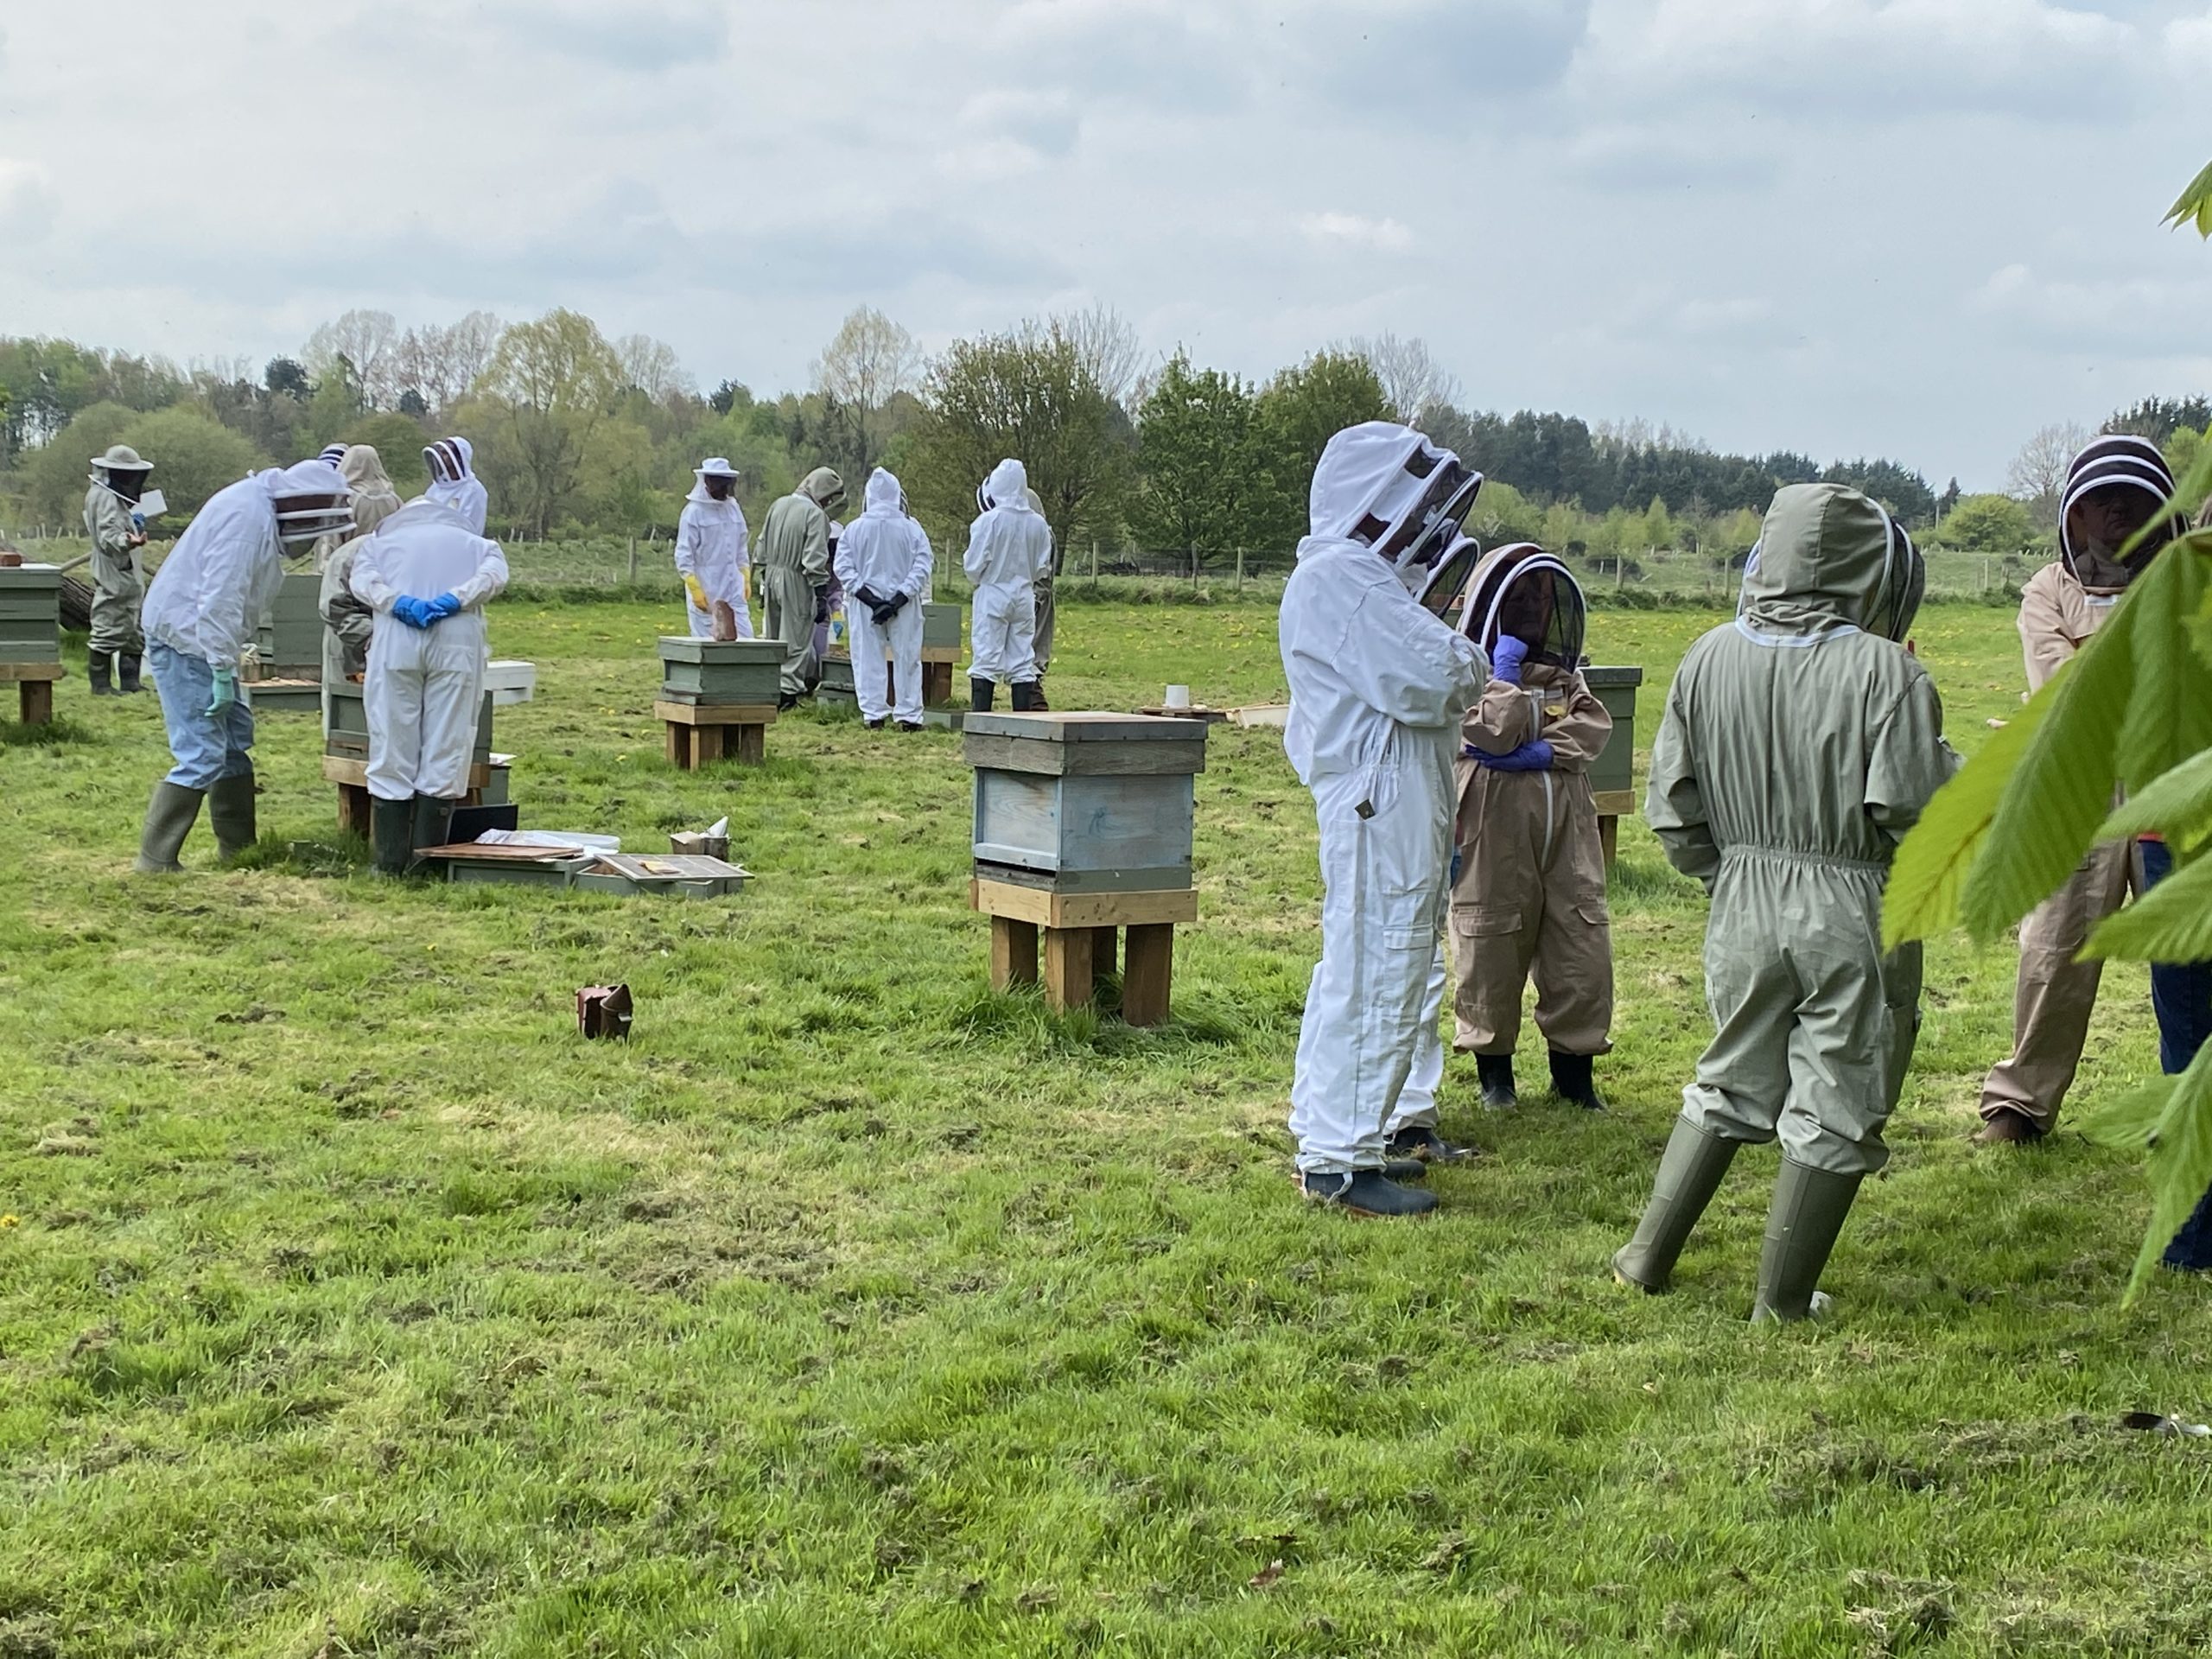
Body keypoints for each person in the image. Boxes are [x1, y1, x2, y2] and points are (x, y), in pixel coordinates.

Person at [1614, 482, 1954, 1322]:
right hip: (1854, 901)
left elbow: (1671, 803)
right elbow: (1914, 806)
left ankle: (1644, 1256)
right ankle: (1783, 1301)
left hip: (1741, 898)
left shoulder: (1706, 654)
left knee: (1729, 1075)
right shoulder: (1886, 671)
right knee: (1839, 1092)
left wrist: (1723, 877)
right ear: (1864, 567)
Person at [1281, 421, 1489, 1216]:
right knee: (1378, 967)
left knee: (1373, 966)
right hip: (1381, 799)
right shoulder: (1342, 577)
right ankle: (1339, 1161)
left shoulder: (1354, 578)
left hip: (1389, 798)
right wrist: (1469, 664)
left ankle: (1339, 1140)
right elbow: (1436, 673)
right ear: (1378, 498)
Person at [1977, 434, 2189, 1144]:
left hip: (2177, 785)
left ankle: (2188, 1106)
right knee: (2053, 943)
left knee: (2192, 958)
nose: (2117, 513)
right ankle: (2019, 1105)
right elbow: (2062, 693)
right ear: (2075, 516)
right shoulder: (2048, 590)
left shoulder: (2194, 577)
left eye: (2132, 498)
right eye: (2102, 501)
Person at [1450, 543, 1615, 1113]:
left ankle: (1575, 1079)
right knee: (1490, 940)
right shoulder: (1464, 672)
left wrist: (1543, 752)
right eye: (1519, 598)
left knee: (1580, 943)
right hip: (1493, 826)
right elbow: (1494, 732)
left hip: (1567, 825)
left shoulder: (1563, 677)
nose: (1531, 610)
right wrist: (1503, 676)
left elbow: (1592, 730)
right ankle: (1495, 1078)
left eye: (1540, 599)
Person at [136, 459, 355, 872]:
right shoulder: (245, 520)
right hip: (187, 638)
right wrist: (222, 666)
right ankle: (155, 860)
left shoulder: (256, 506)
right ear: (302, 507)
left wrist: (225, 658)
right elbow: (220, 599)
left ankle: (238, 851)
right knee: (201, 751)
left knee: (234, 743)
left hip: (204, 638)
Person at [346, 496, 510, 873]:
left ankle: (389, 864)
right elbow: (494, 578)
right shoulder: (479, 545)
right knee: (446, 742)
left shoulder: (379, 544)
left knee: (391, 739)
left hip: (396, 642)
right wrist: (454, 599)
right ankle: (426, 864)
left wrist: (397, 602)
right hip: (455, 642)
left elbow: (362, 582)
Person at [834, 467, 936, 730]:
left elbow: (843, 568)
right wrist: (899, 598)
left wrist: (872, 600)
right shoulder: (912, 529)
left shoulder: (853, 530)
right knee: (908, 658)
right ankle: (910, 716)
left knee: (867, 658)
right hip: (904, 605)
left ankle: (873, 715)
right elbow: (923, 564)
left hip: (865, 605)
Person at [964, 461, 1054, 713]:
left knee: (986, 658)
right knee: (1022, 661)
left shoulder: (988, 521)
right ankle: (1023, 726)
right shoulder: (1038, 524)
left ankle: (981, 723)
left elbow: (973, 566)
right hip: (1024, 596)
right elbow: (1041, 568)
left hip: (993, 593)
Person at [756, 467, 844, 709]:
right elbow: (814, 557)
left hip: (772, 575)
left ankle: (772, 687)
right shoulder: (814, 514)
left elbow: (761, 545)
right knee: (795, 636)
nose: (828, 502)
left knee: (774, 635)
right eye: (828, 497)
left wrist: (763, 579)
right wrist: (819, 592)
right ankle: (788, 694)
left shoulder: (778, 504)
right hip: (796, 578)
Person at [318, 448, 407, 687]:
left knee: (340, 664)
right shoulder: (395, 500)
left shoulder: (343, 499)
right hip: (386, 592)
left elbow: (330, 556)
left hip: (347, 587)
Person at [84, 443, 154, 695]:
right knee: (108, 623)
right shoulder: (103, 496)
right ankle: (101, 685)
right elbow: (107, 536)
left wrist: (133, 527)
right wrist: (127, 540)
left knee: (132, 628)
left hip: (125, 572)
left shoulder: (112, 496)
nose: (131, 479)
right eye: (126, 474)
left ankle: (130, 682)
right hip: (114, 572)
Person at [674, 457, 753, 641]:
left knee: (746, 639)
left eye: (726, 482)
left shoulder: (733, 508)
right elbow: (684, 555)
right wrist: (694, 587)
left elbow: (741, 546)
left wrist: (746, 577)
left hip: (733, 586)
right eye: (718, 482)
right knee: (709, 645)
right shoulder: (693, 512)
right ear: (707, 482)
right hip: (707, 588)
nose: (723, 487)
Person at [422, 435, 489, 533]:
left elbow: (470, 526)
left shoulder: (474, 489)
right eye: (441, 452)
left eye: (445, 453)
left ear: (459, 458)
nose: (441, 456)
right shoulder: (435, 488)